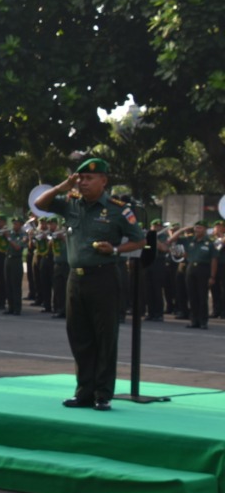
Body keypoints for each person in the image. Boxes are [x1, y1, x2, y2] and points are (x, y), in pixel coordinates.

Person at [35, 158, 144, 411]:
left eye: (89, 178)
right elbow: (39, 204)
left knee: (105, 336)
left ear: (103, 181)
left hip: (103, 277)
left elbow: (139, 240)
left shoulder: (118, 210)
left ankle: (102, 394)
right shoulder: (71, 204)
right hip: (75, 279)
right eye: (80, 178)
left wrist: (115, 249)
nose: (83, 183)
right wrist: (62, 186)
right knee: (79, 336)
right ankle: (84, 391)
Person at [180, 221, 219, 329]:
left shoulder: (210, 242)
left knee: (202, 296)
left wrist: (212, 276)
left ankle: (203, 321)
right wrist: (183, 230)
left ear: (205, 229)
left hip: (203, 269)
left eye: (200, 228)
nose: (197, 230)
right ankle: (194, 320)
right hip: (191, 268)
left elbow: (214, 260)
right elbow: (174, 241)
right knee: (192, 296)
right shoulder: (190, 240)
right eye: (196, 227)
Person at [3, 215, 28, 315]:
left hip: (16, 261)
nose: (14, 225)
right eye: (13, 223)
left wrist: (8, 238)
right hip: (8, 259)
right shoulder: (11, 233)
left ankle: (17, 308)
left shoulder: (24, 235)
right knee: (8, 284)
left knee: (16, 285)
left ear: (21, 225)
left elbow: (17, 247)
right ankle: (10, 307)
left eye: (16, 224)